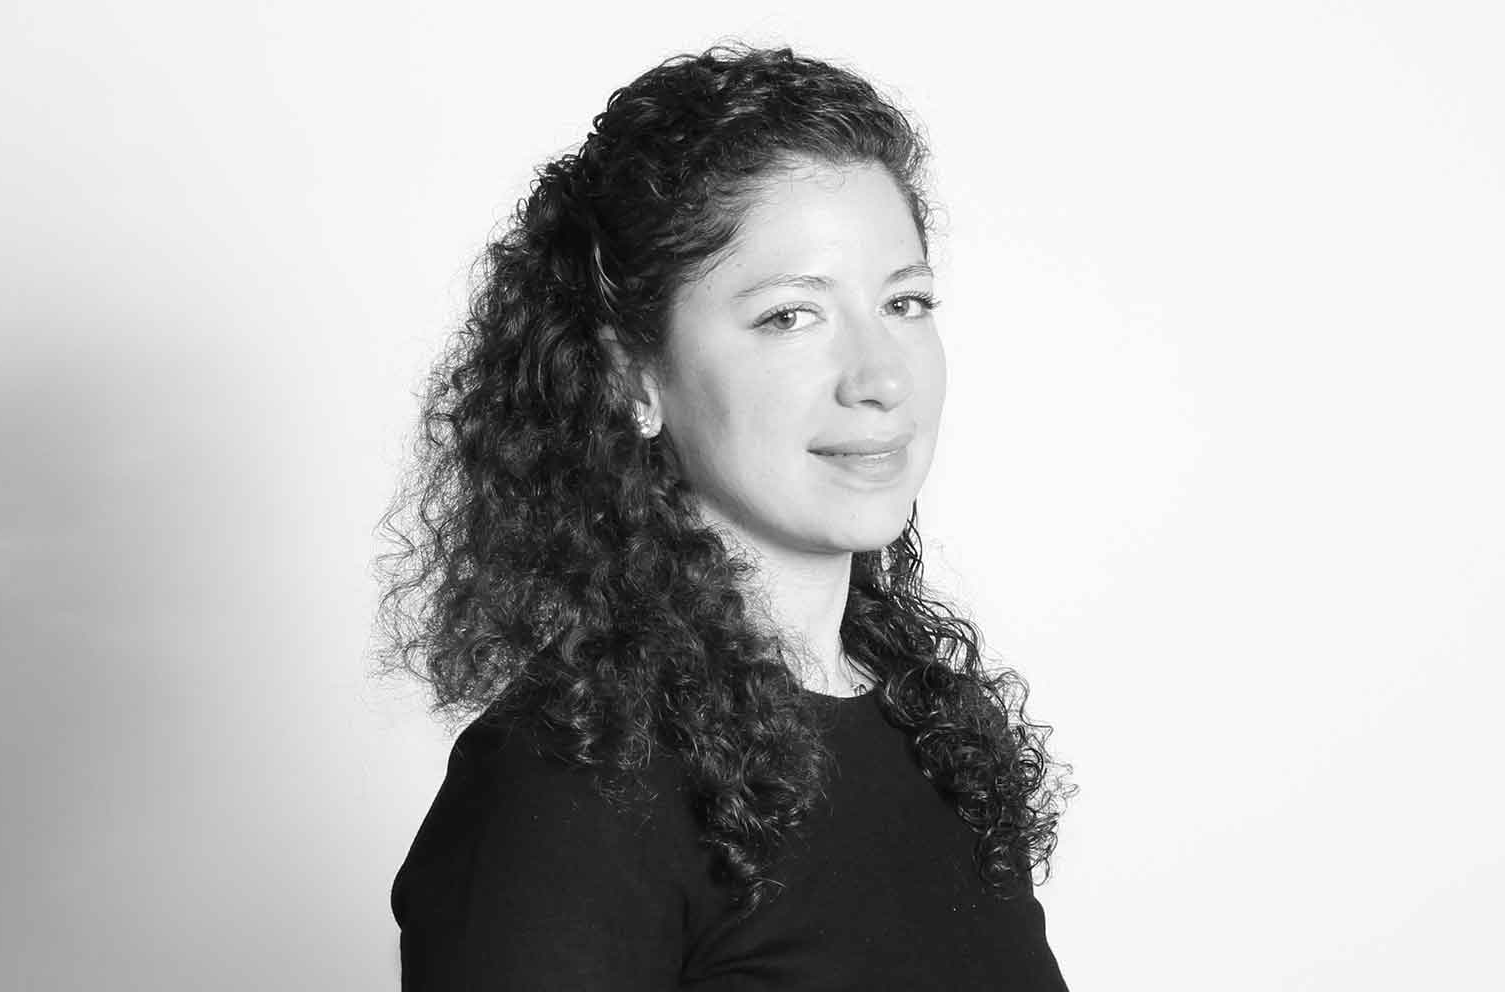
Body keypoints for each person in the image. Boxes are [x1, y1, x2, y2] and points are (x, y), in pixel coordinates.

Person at [377, 44, 1073, 990]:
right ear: (633, 378)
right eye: (790, 315)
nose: (880, 377)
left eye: (904, 302)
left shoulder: (937, 732)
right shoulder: (566, 782)